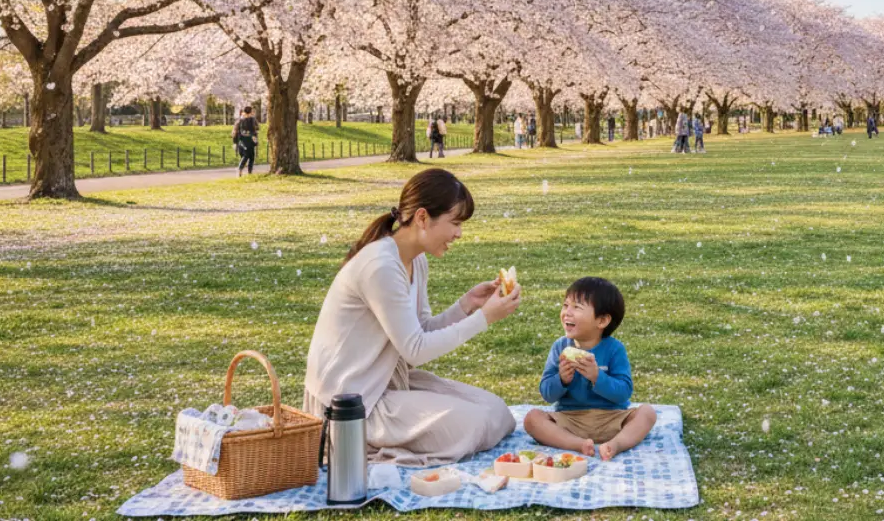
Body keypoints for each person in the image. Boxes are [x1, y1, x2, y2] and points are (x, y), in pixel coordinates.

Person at [304, 169, 521, 465]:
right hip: (353, 404)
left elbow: (419, 332)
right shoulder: (381, 265)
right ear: (422, 217)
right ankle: (363, 447)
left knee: (497, 411)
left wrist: (467, 304)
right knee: (477, 423)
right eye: (455, 222)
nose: (459, 233)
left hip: (388, 384)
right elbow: (415, 349)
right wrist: (484, 318)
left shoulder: (416, 262)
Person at [524, 277, 656, 461]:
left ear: (602, 321)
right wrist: (561, 380)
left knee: (647, 413)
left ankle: (616, 444)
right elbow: (547, 394)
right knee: (532, 419)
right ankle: (577, 444)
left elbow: (624, 392)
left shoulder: (614, 349)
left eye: (577, 307)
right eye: (565, 305)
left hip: (612, 418)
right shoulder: (560, 347)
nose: (567, 313)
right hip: (570, 419)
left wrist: (597, 377)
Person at [232, 106, 259, 176]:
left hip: (242, 140)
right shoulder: (253, 119)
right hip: (250, 139)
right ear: (251, 112)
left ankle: (241, 170)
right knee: (250, 156)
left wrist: (234, 142)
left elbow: (235, 130)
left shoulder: (240, 119)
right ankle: (247, 171)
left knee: (245, 155)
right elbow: (257, 128)